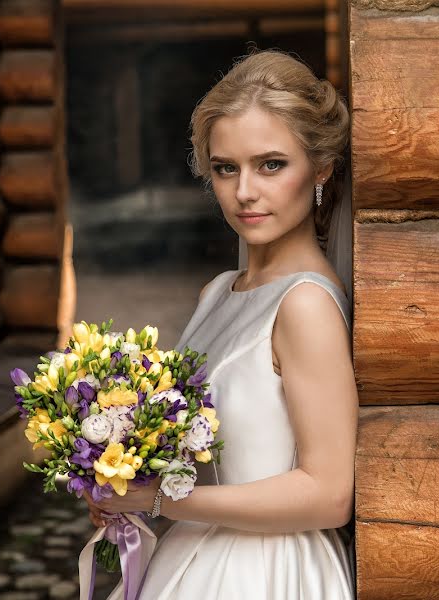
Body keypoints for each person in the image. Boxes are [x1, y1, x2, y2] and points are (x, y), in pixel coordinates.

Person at [85, 49, 357, 599]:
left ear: (322, 167)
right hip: (193, 554)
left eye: (271, 164)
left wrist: (156, 499)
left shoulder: (305, 306)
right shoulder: (217, 292)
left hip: (267, 570)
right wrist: (123, 475)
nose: (245, 191)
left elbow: (329, 494)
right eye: (226, 168)